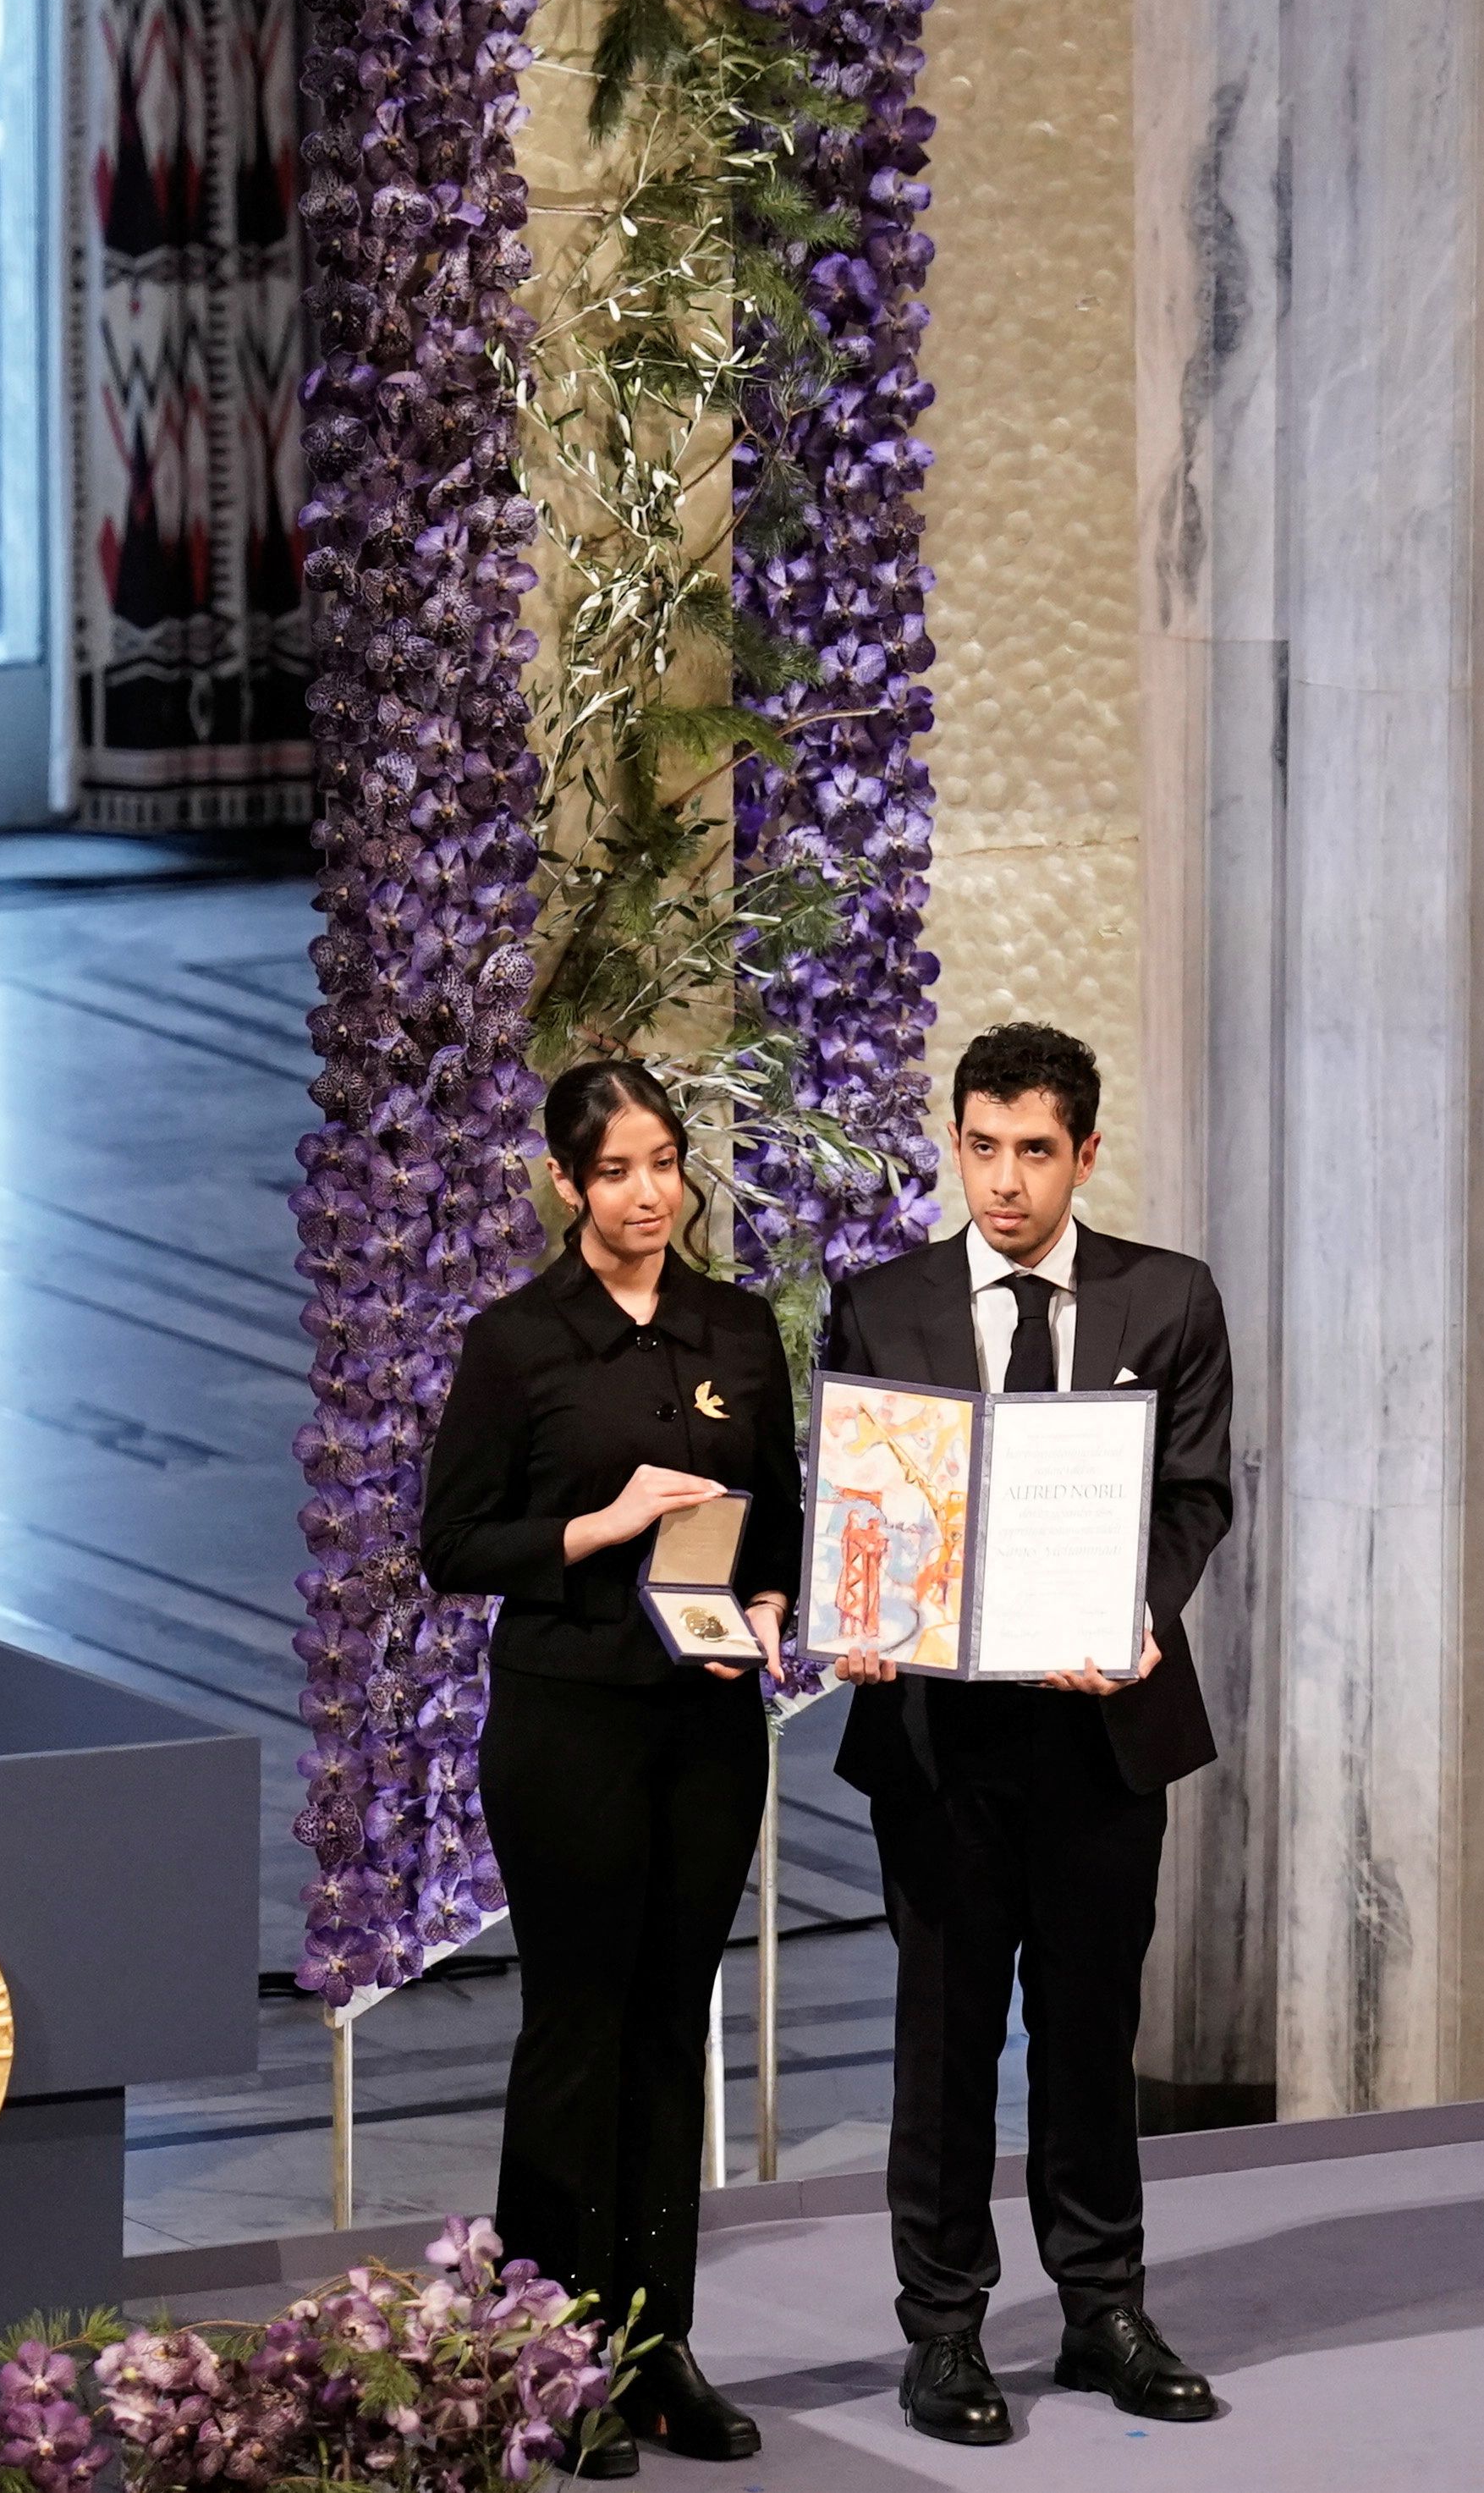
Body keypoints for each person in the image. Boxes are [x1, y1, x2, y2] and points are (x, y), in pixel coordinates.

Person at [822, 1022, 1236, 2446]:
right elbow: (859, 1503)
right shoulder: (881, 1303)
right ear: (955, 1143)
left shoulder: (1166, 1299)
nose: (1003, 1181)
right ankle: (942, 2329)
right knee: (942, 2040)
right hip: (939, 1739)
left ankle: (1100, 2307)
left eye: (1033, 1151)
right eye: (981, 1146)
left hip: (1100, 1732)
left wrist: (1141, 1610)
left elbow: (1193, 1497)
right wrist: (853, 1606)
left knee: (1089, 2026)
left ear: (1085, 1153)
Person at [420, 1059, 804, 2475]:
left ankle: (654, 2351)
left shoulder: (737, 1326)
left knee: (667, 2029)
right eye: (619, 1170)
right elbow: (453, 1544)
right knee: (577, 2029)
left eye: (666, 1164)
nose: (650, 1193)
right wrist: (599, 1520)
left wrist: (764, 1611)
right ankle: (543, 2352)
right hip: (568, 1716)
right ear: (567, 1184)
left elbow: (783, 1528)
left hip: (704, 1722)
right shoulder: (519, 1342)